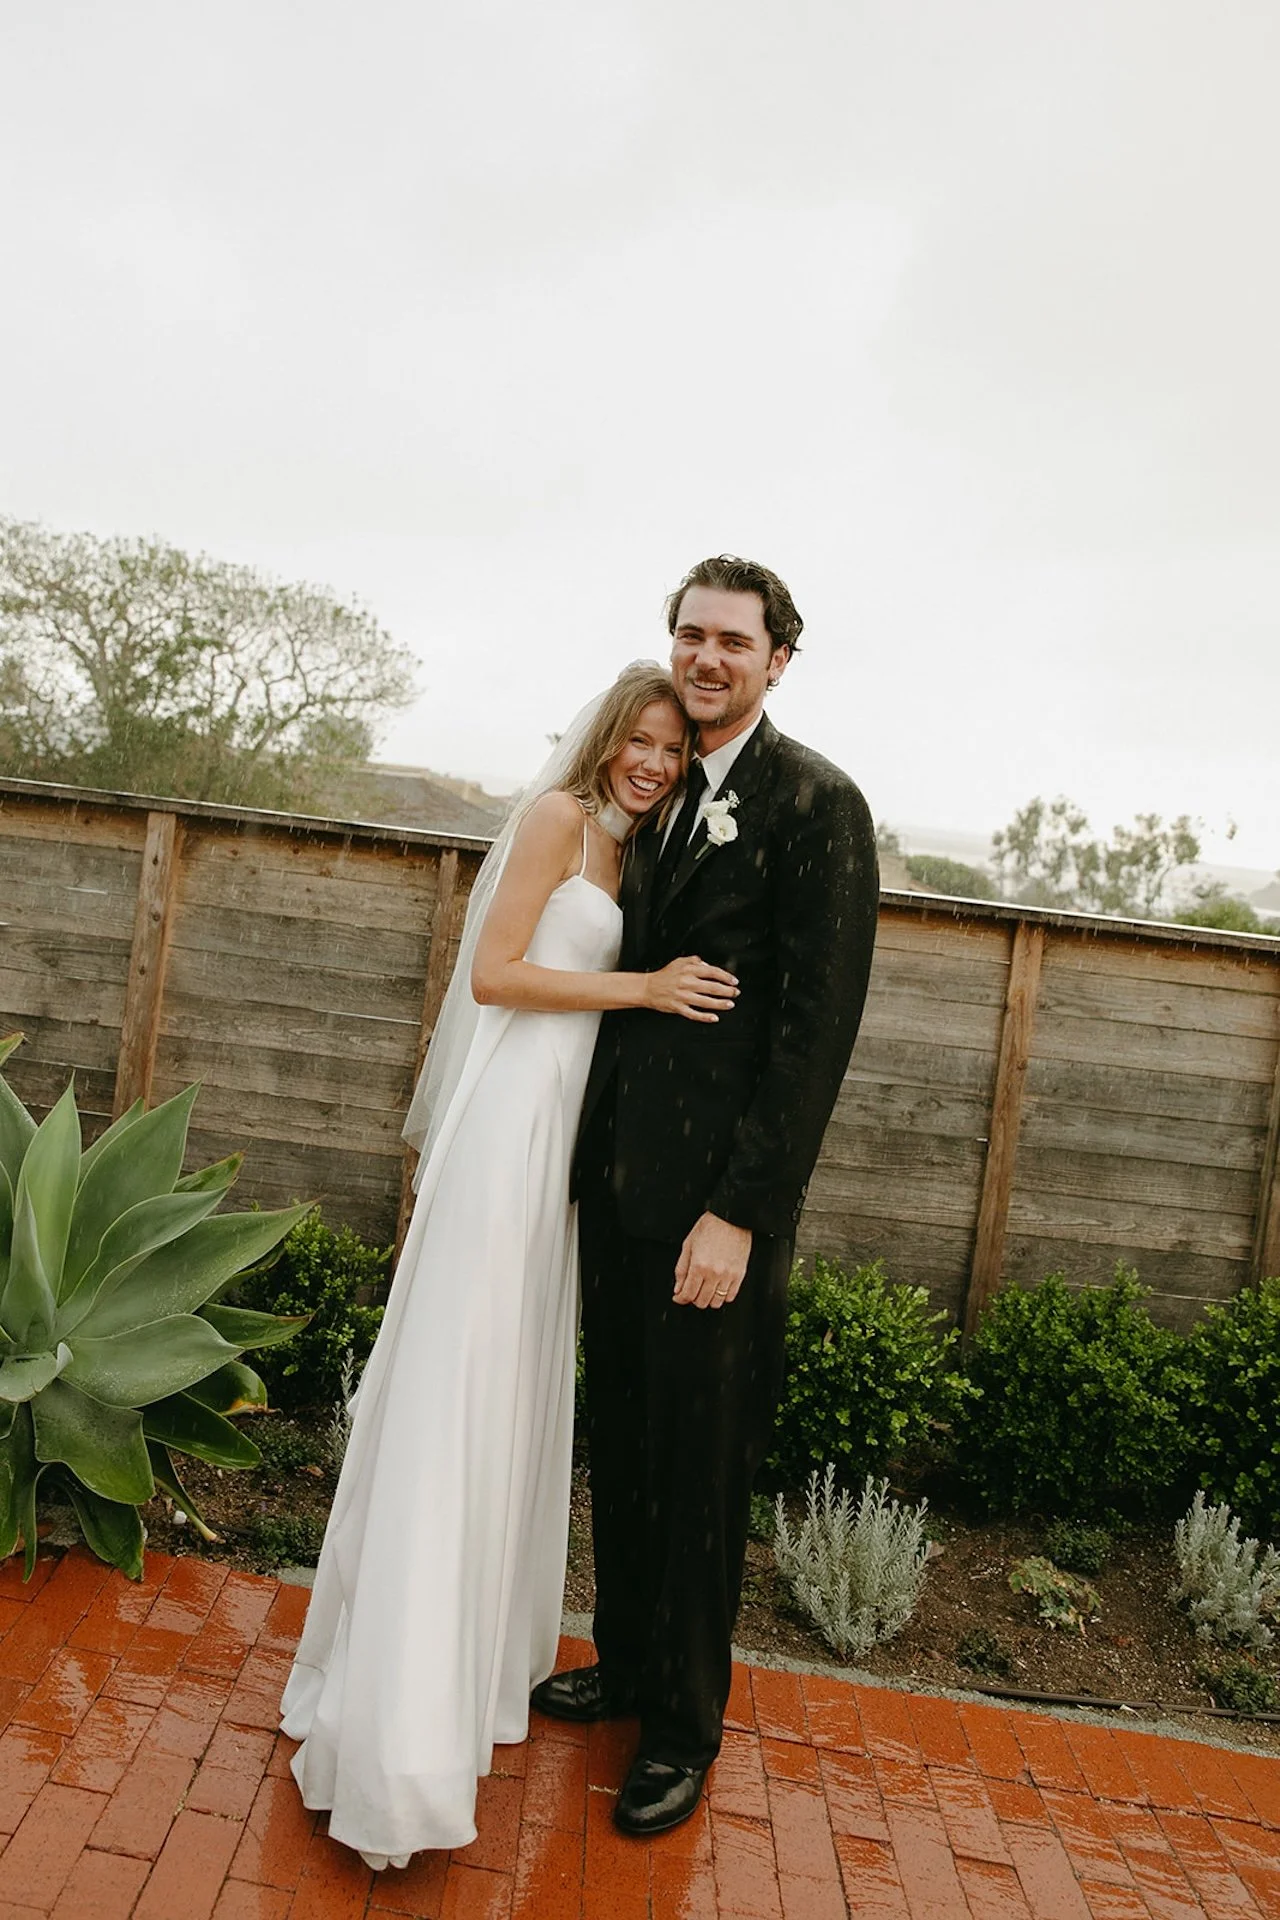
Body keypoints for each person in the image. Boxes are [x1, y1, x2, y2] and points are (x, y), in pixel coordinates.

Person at [279, 664, 737, 1867]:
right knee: (457, 1388)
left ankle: (471, 1668)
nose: (652, 761)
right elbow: (493, 978)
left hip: (559, 1158)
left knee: (508, 1398)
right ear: (605, 737)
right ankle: (395, 1730)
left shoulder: (639, 855)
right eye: (638, 740)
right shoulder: (556, 822)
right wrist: (642, 986)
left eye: (673, 750)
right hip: (502, 1136)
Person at [532, 556, 880, 1836]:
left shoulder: (815, 804)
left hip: (713, 1221)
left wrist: (741, 1213)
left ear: (777, 658)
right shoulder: (663, 795)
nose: (708, 657)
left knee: (695, 1473)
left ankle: (680, 1731)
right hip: (619, 1193)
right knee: (621, 1450)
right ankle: (623, 1664)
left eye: (734, 640)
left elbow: (811, 1038)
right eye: (691, 634)